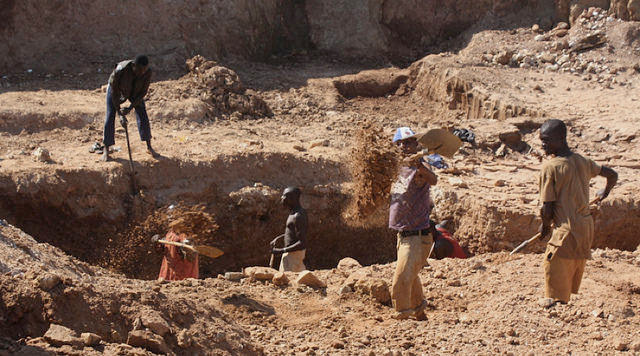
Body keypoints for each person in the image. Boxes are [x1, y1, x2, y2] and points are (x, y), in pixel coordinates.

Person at [538, 119, 617, 304]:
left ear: (561, 139)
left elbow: (546, 207)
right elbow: (612, 174)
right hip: (585, 229)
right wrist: (604, 192)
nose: (543, 145)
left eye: (547, 140)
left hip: (566, 232)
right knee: (570, 270)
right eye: (541, 140)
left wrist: (545, 226)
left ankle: (558, 312)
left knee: (553, 273)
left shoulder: (550, 168)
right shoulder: (583, 161)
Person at [389, 127, 437, 320]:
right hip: (402, 234)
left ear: (416, 144)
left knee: (401, 279)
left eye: (408, 142)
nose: (404, 146)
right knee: (411, 274)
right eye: (399, 143)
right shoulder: (396, 170)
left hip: (417, 236)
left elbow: (433, 180)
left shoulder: (420, 169)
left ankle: (401, 317)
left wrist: (420, 166)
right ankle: (418, 310)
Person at [102, 54, 156, 162]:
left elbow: (143, 93)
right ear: (133, 65)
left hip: (134, 92)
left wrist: (130, 108)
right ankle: (106, 148)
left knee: (142, 113)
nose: (142, 73)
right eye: (140, 70)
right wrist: (120, 114)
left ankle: (149, 146)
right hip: (117, 90)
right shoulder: (121, 70)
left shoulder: (147, 72)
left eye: (144, 71)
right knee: (110, 114)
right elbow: (114, 93)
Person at [271, 187, 308, 272]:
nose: (282, 199)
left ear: (293, 198)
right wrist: (279, 238)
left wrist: (281, 250)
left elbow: (302, 243)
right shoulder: (293, 213)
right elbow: (294, 233)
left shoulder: (298, 216)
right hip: (290, 255)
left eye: (285, 196)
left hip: (294, 256)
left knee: (291, 282)